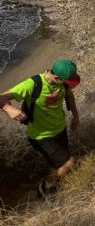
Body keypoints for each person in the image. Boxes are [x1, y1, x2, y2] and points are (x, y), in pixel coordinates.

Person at [0, 60, 80, 197]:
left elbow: (70, 98)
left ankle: (55, 182)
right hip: (41, 136)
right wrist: (8, 108)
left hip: (60, 130)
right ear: (56, 77)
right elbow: (2, 97)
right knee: (69, 163)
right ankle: (45, 188)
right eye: (67, 81)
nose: (69, 85)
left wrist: (76, 117)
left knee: (56, 165)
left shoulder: (63, 85)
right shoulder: (33, 84)